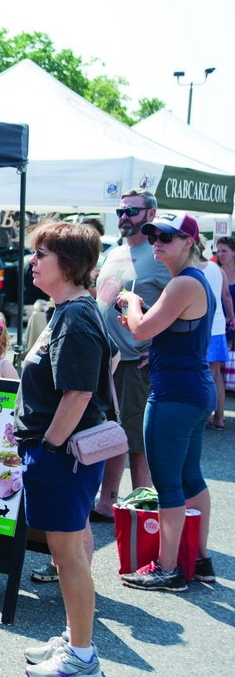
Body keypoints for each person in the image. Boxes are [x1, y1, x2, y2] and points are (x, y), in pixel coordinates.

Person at [15, 221, 115, 677]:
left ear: (69, 264)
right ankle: (76, 640)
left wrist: (49, 449)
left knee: (68, 556)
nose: (32, 261)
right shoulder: (70, 310)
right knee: (65, 555)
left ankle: (81, 656)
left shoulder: (75, 316)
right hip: (64, 455)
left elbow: (78, 394)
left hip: (63, 457)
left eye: (41, 254)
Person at [117, 213, 217, 591]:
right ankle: (199, 559)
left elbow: (141, 329)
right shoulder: (193, 280)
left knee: (168, 483)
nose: (157, 241)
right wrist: (152, 343)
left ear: (189, 242)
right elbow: (169, 334)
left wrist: (131, 303)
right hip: (192, 390)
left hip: (173, 395)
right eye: (154, 235)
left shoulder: (182, 283)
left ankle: (169, 568)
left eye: (167, 236)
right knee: (190, 476)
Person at [89, 189, 171, 522]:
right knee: (110, 434)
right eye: (120, 211)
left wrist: (162, 347)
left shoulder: (159, 256)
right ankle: (108, 502)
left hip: (135, 360)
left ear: (150, 214)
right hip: (106, 360)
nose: (124, 216)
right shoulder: (114, 252)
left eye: (131, 211)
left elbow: (183, 307)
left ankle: (143, 512)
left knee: (136, 440)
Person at [202, 251, 234, 430]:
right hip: (218, 325)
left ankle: (203, 416)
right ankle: (219, 418)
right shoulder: (216, 269)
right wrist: (231, 316)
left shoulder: (189, 269)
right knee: (216, 373)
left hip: (201, 327)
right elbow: (226, 295)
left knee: (201, 373)